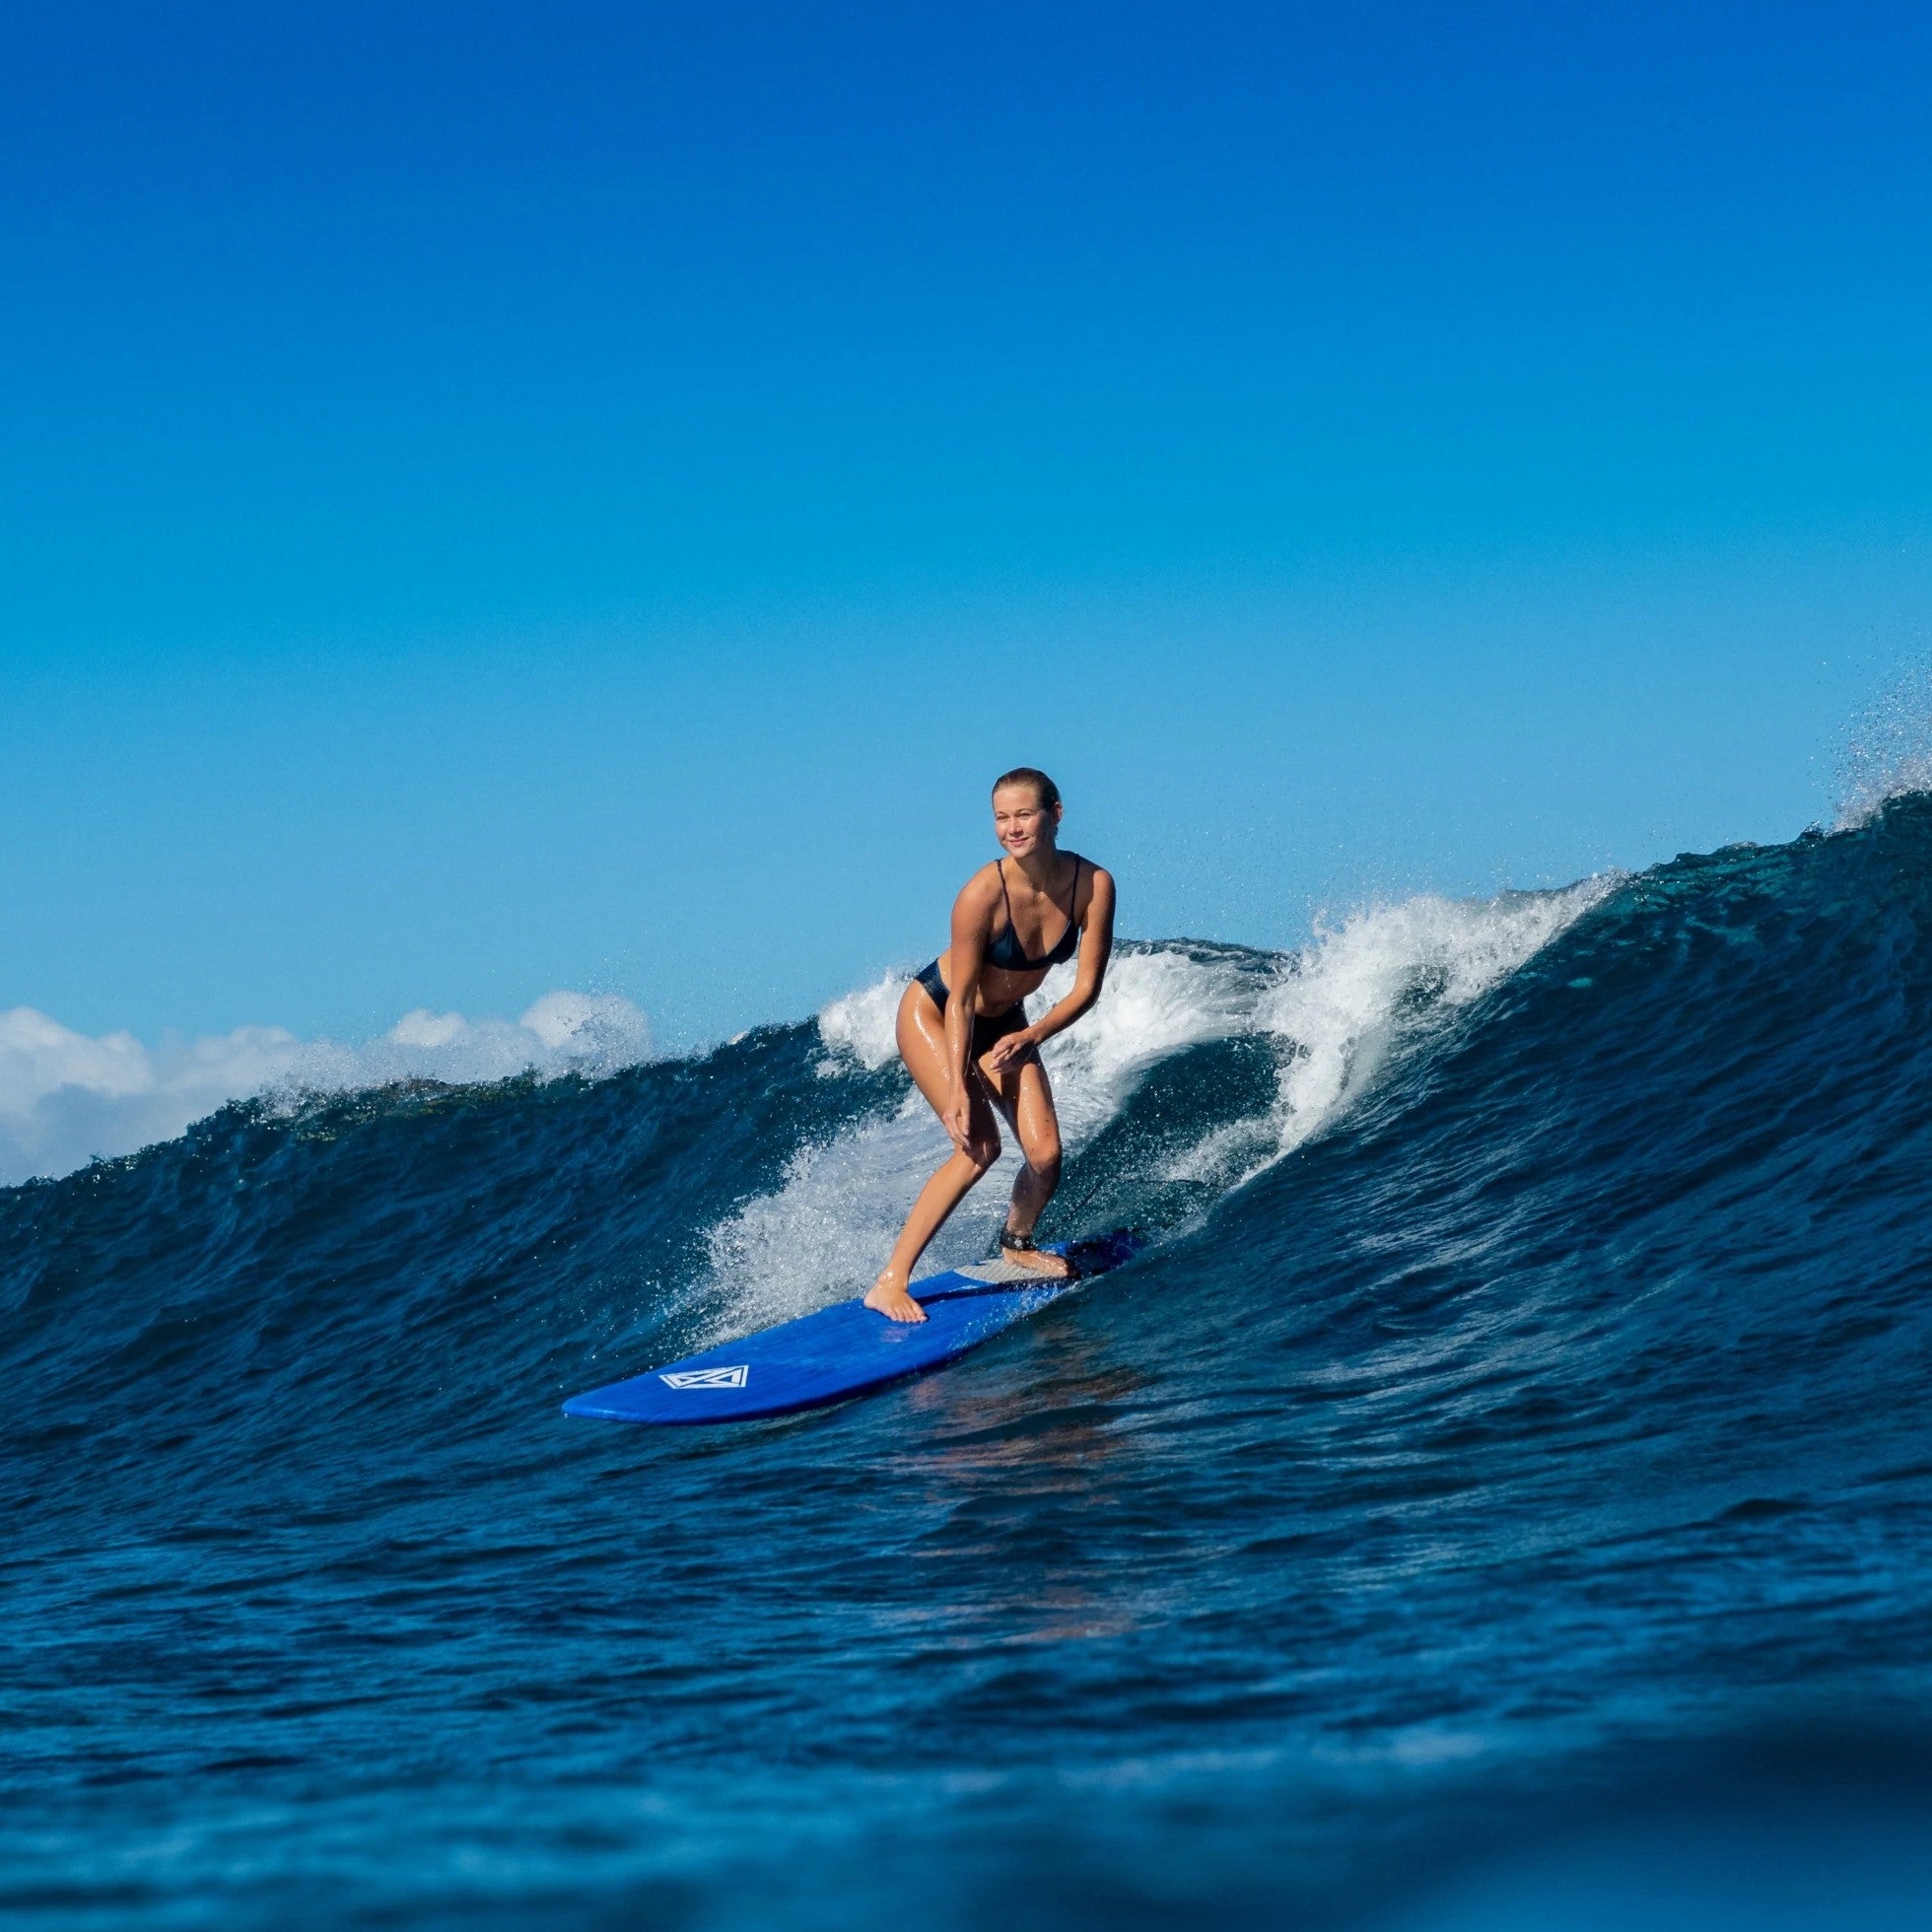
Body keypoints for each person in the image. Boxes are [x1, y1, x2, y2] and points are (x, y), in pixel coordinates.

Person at [864, 768, 1116, 1323]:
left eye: (1024, 813)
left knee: (1045, 1156)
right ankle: (890, 1280)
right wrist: (956, 1084)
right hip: (936, 1011)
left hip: (1009, 1024)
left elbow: (1087, 987)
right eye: (1001, 818)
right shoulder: (982, 893)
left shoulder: (1092, 885)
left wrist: (1033, 1035)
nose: (1012, 827)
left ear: (1056, 812)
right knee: (978, 1147)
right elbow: (959, 1000)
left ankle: (1016, 1246)